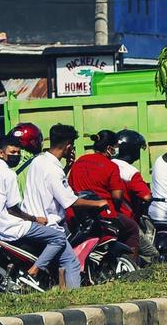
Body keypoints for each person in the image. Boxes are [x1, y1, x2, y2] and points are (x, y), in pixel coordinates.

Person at [0, 136, 80, 288]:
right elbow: (13, 209)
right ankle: (36, 268)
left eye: (18, 152)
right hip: (13, 227)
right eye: (12, 152)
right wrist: (35, 218)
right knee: (58, 237)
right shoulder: (9, 175)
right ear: (1, 153)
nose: (15, 155)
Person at [22, 123, 107, 287]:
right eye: (72, 146)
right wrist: (98, 203)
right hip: (50, 225)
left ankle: (58, 287)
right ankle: (73, 300)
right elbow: (71, 201)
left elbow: (54, 187)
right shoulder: (54, 169)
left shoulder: (39, 161)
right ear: (68, 146)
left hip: (33, 221)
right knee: (72, 263)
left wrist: (67, 167)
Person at [68, 129, 142, 265]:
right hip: (102, 214)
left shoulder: (79, 161)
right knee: (132, 228)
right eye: (115, 147)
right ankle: (132, 266)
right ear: (109, 148)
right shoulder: (111, 166)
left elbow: (70, 187)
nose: (116, 150)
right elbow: (117, 196)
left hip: (76, 214)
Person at [112, 129, 158, 263]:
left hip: (108, 216)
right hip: (126, 218)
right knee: (152, 254)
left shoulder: (108, 164)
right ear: (132, 150)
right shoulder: (130, 172)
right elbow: (146, 196)